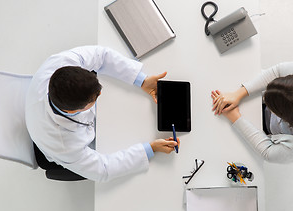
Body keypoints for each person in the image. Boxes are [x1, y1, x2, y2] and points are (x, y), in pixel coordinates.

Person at [25, 46, 180, 182]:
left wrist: (142, 80)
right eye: (95, 97)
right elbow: (104, 170)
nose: (100, 92)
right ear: (74, 111)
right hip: (55, 144)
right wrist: (151, 149)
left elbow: (101, 55)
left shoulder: (60, 64)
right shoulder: (64, 144)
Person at [211, 60, 293, 163]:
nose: (263, 98)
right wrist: (239, 94)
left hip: (271, 129)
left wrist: (235, 117)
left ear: (284, 119)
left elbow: (267, 152)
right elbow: (276, 72)